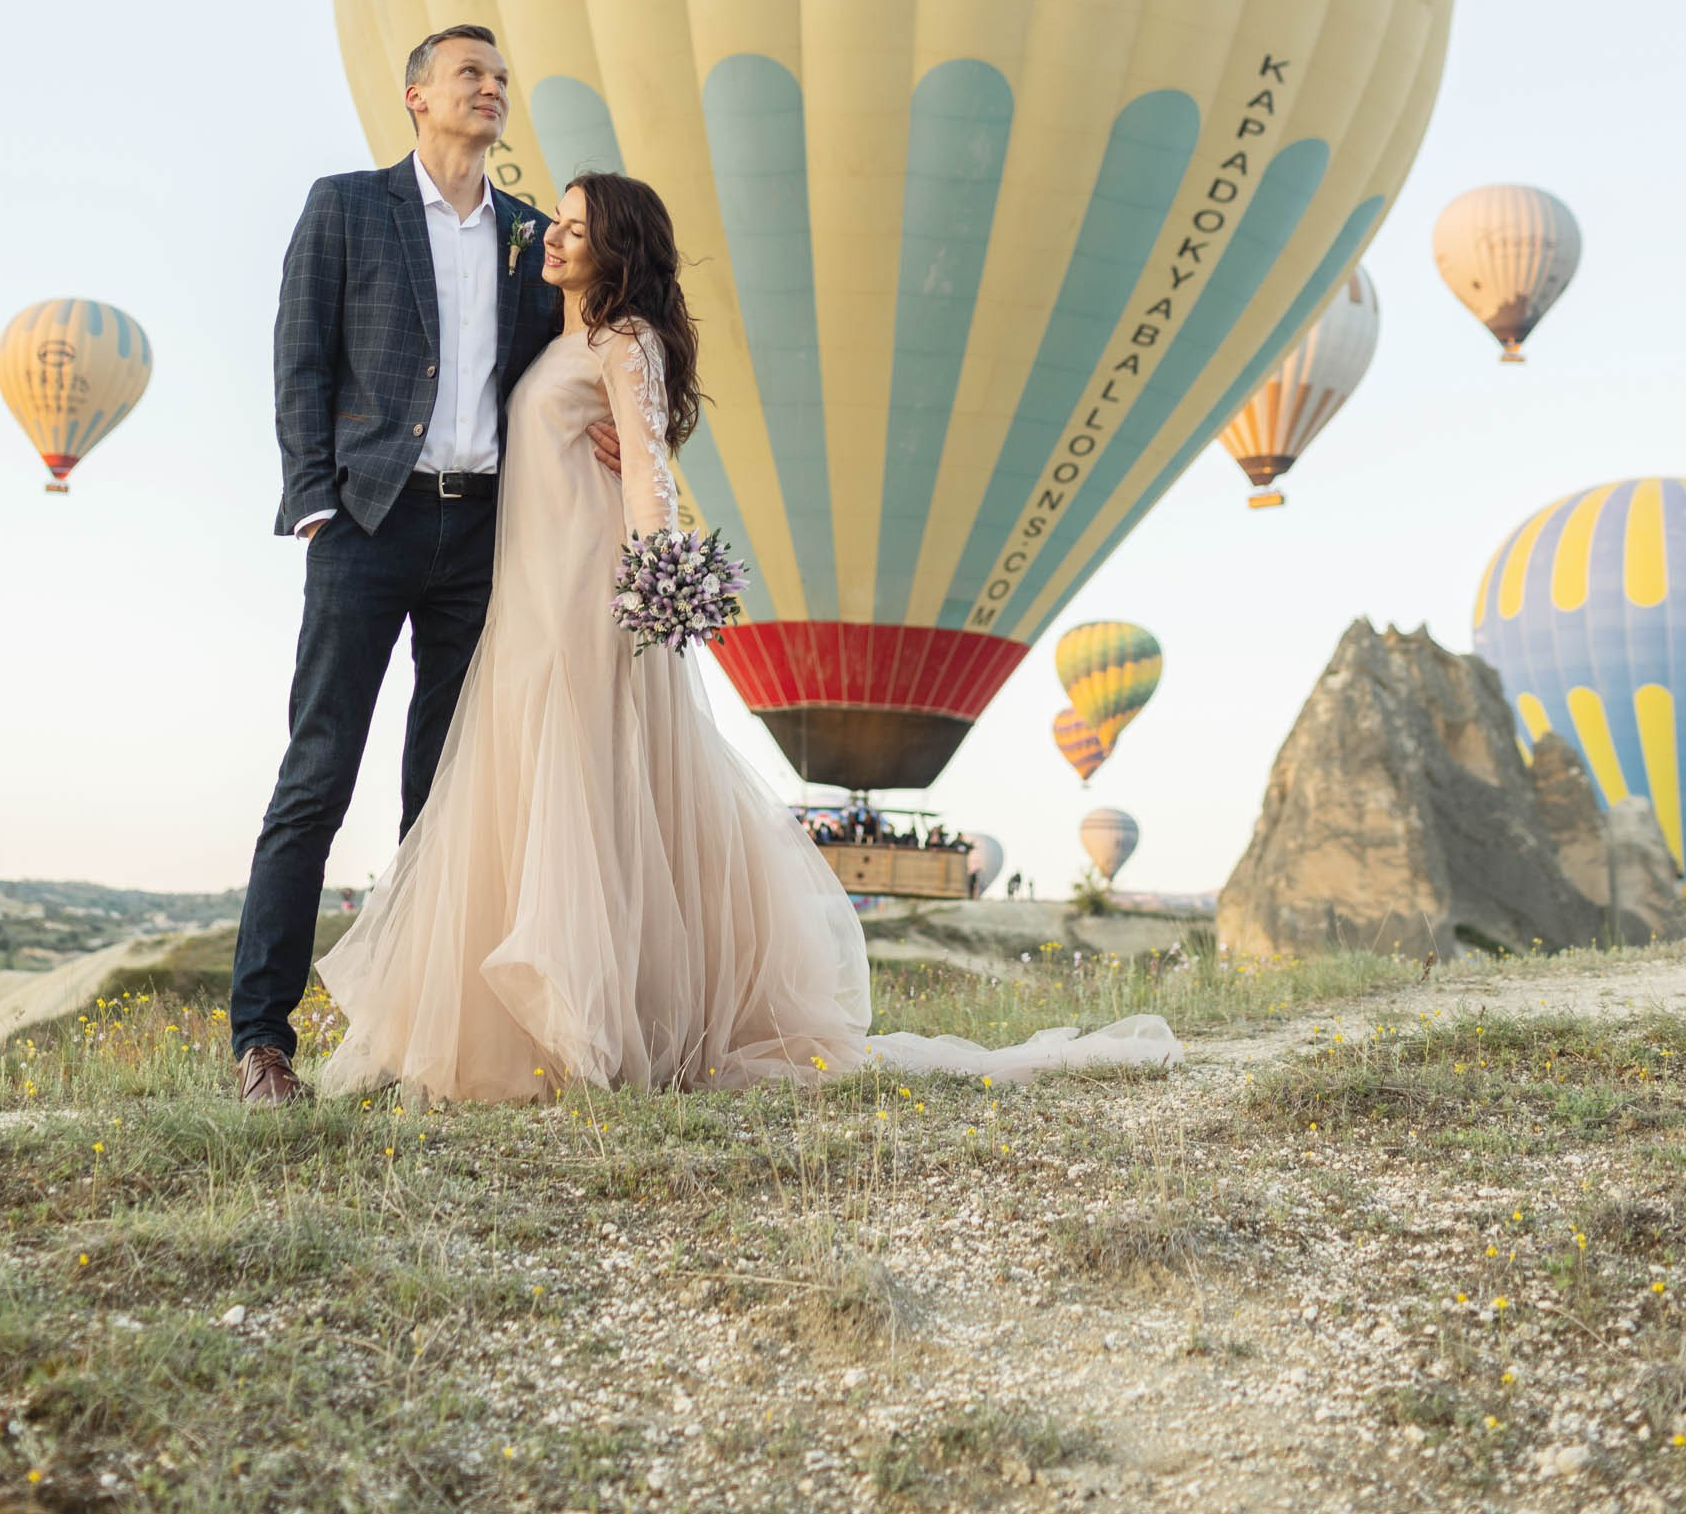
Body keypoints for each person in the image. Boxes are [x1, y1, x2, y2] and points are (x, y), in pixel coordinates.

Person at [317, 170, 1179, 1101]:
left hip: (582, 600)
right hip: (524, 598)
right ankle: (527, 1030)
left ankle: (592, 1031)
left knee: (583, 800)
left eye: (575, 228)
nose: (555, 240)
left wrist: (661, 579)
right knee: (531, 799)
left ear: (617, 247)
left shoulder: (628, 339)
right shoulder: (565, 338)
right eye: (554, 225)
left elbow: (647, 469)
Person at [228, 25, 619, 1110]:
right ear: (416, 98)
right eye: (470, 75)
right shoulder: (346, 207)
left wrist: (632, 430)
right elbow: (299, 357)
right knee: (317, 778)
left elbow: (595, 345)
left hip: (485, 539)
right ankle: (263, 1043)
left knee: (450, 797)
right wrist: (315, 504)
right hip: (365, 525)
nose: (492, 89)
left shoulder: (535, 238)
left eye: (501, 78)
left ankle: (419, 1037)